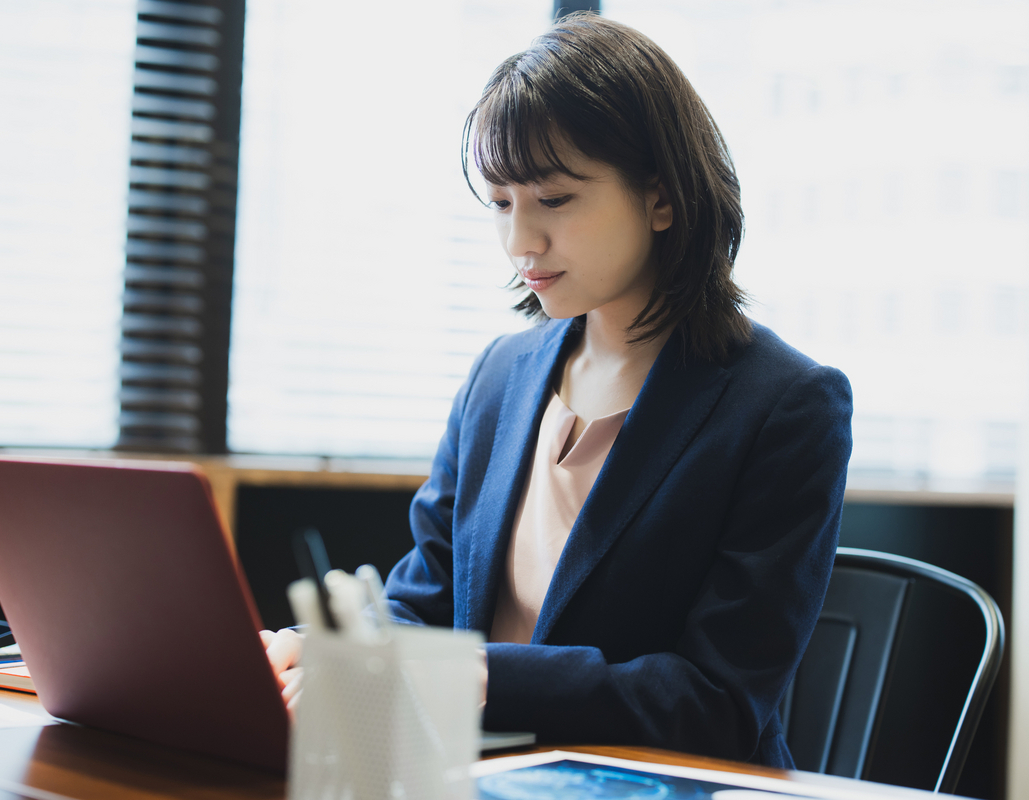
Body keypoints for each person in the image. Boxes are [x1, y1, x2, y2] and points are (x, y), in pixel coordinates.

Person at [266, 12, 851, 768]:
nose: (520, 244)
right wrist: (324, 652)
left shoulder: (786, 405)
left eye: (554, 199)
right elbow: (428, 598)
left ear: (662, 198)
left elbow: (717, 704)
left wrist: (477, 675)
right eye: (502, 203)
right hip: (479, 775)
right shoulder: (500, 378)